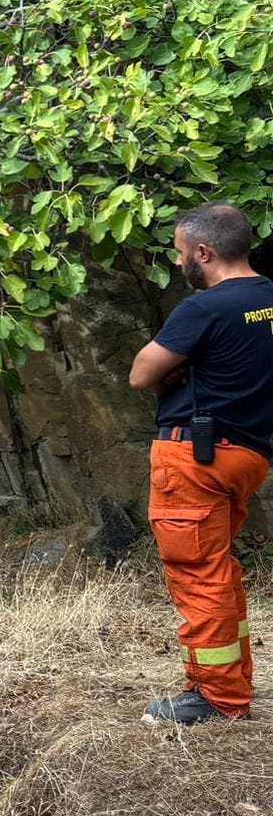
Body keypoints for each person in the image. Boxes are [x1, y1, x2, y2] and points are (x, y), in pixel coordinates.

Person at [128, 202, 273, 725]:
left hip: (196, 459)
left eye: (180, 251)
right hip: (249, 454)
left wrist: (177, 372)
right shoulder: (268, 299)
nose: (178, 259)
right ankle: (230, 681)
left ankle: (215, 697)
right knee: (220, 573)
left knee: (198, 575)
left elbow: (142, 374)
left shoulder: (204, 308)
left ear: (204, 253)